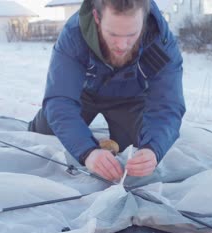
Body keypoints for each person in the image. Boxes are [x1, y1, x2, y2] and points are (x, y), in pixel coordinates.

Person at [29, 0, 185, 182]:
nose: (121, 45)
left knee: (137, 154)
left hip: (131, 100)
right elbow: (59, 100)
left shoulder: (161, 41)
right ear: (97, 17)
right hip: (83, 94)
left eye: (131, 34)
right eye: (113, 34)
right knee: (43, 136)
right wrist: (87, 151)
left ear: (144, 19)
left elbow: (168, 105)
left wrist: (153, 149)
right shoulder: (74, 34)